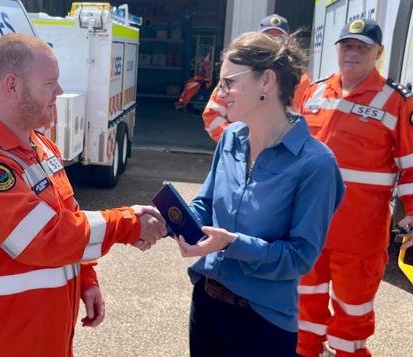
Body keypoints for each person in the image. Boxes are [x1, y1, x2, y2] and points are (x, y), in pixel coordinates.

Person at [0, 33, 167, 357]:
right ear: (12, 86)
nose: (60, 92)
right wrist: (128, 224)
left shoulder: (42, 147)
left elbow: (70, 219)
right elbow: (45, 237)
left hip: (43, 341)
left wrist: (87, 277)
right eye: (50, 83)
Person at [175, 31, 345, 357]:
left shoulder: (316, 164)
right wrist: (175, 220)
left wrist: (231, 243)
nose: (220, 93)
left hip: (262, 321)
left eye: (229, 82)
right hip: (207, 303)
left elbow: (299, 257)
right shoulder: (230, 139)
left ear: (267, 81)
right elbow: (206, 204)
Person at [296, 18, 413, 357]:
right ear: (337, 49)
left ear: (379, 52)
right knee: (305, 307)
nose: (352, 53)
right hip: (310, 229)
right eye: (347, 45)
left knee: (352, 317)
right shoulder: (314, 93)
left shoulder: (397, 102)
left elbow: (410, 167)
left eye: (362, 47)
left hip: (359, 235)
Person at [202, 14, 311, 142]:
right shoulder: (236, 78)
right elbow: (212, 115)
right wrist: (236, 142)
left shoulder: (302, 80)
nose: (273, 42)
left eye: (278, 38)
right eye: (267, 38)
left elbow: (307, 121)